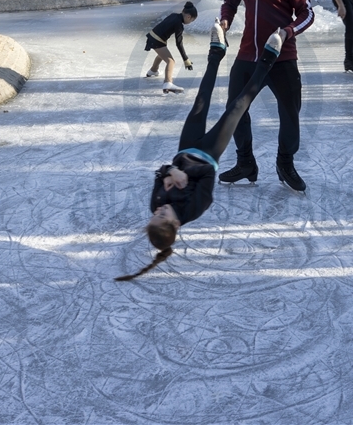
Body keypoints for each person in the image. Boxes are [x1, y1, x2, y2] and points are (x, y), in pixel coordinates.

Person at [117, 21, 287, 280]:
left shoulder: (157, 203)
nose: (157, 210)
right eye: (161, 216)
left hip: (185, 146)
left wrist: (173, 170)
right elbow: (208, 173)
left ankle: (216, 51)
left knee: (201, 99)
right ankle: (269, 58)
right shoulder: (196, 207)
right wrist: (184, 176)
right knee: (238, 105)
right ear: (175, 224)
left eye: (154, 215)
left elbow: (159, 173)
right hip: (210, 151)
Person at [218, 0, 315, 192]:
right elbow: (230, 2)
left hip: (281, 59)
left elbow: (307, 14)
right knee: (234, 112)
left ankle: (285, 163)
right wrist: (225, 21)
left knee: (289, 114)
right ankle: (246, 163)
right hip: (248, 56)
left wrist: (287, 32)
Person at [144, 1, 197, 94]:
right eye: (192, 20)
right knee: (171, 61)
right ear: (189, 17)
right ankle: (168, 82)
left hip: (152, 36)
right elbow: (179, 43)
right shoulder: (179, 25)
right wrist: (185, 59)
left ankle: (153, 70)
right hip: (157, 40)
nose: (190, 22)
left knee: (162, 55)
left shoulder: (174, 15)